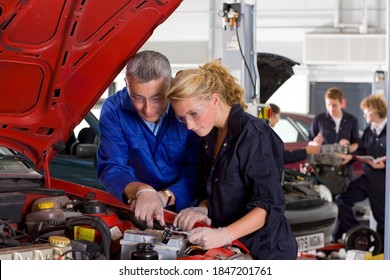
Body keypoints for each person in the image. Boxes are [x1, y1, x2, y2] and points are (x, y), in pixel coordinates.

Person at [167, 60, 298, 260]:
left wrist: (223, 234)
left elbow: (269, 206)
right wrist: (202, 209)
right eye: (182, 118)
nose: (189, 125)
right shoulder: (209, 136)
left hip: (266, 251)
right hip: (232, 250)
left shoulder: (253, 136)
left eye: (194, 113)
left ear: (215, 99)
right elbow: (222, 193)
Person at [97, 50, 200, 228]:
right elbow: (112, 166)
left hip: (188, 210)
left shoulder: (188, 109)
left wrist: (162, 196)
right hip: (139, 209)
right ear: (126, 84)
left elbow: (198, 171)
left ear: (170, 84)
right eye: (137, 98)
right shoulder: (114, 110)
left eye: (156, 98)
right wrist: (142, 190)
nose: (147, 109)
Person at [333, 94, 387, 250]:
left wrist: (385, 164)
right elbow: (362, 150)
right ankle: (358, 233)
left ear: (376, 111)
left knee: (382, 220)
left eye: (366, 111)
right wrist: (349, 156)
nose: (363, 115)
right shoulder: (370, 131)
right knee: (341, 200)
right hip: (367, 178)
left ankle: (381, 254)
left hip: (382, 182)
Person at [309, 87, 360, 152]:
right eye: (328, 105)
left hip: (345, 160)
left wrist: (348, 147)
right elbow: (309, 142)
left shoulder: (352, 120)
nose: (331, 109)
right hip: (323, 159)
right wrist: (315, 143)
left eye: (334, 105)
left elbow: (356, 143)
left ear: (341, 103)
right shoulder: (318, 120)